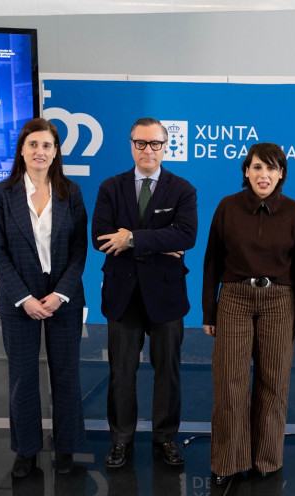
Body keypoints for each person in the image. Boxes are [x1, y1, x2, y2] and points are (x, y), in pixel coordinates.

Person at [202, 143, 295, 484]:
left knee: (273, 382)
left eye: (271, 168)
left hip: (280, 301)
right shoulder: (227, 207)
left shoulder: (293, 210)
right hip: (234, 298)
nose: (263, 175)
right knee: (230, 383)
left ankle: (266, 460)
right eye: (256, 168)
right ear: (246, 172)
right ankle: (229, 461)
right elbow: (211, 262)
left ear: (281, 173)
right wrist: (209, 312)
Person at [92, 117, 198, 468]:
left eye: (155, 144)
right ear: (131, 145)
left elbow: (185, 237)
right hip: (123, 295)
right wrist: (157, 242)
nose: (147, 150)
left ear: (166, 147)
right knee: (121, 372)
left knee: (168, 370)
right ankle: (120, 439)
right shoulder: (111, 187)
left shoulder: (182, 189)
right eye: (140, 143)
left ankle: (165, 438)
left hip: (166, 295)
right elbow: (101, 238)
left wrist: (133, 238)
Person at [0, 118, 88, 478]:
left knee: (66, 374)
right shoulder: (3, 193)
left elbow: (79, 252)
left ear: (56, 151)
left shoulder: (71, 193)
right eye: (33, 145)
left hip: (63, 298)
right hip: (20, 301)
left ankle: (65, 448)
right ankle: (26, 450)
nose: (39, 152)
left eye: (46, 145)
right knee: (22, 377)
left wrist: (61, 294)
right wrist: (24, 298)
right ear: (21, 150)